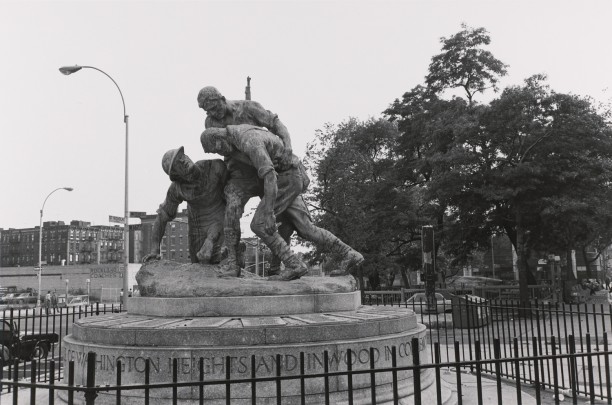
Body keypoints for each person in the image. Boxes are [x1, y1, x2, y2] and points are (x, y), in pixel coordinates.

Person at [201, 124, 364, 280]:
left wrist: (269, 212)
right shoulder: (236, 136)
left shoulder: (248, 140)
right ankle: (349, 254)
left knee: (259, 224)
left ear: (218, 140)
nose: (221, 153)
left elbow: (270, 176)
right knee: (306, 228)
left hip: (285, 178)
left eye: (216, 149)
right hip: (290, 175)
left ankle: (294, 265)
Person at [197, 86, 296, 275]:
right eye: (206, 110)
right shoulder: (210, 123)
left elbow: (277, 125)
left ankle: (278, 266)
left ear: (222, 99)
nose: (211, 113)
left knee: (287, 217)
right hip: (241, 174)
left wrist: (288, 148)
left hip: (268, 166)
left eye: (213, 107)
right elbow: (222, 148)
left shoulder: (248, 108)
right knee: (231, 209)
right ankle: (233, 262)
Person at [142, 147, 227, 264]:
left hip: (219, 216)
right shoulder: (177, 188)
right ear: (175, 175)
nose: (183, 160)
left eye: (182, 156)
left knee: (214, 254)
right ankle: (223, 254)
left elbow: (234, 192)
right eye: (178, 163)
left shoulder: (214, 168)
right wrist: (155, 250)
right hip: (197, 226)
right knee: (198, 264)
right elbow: (162, 217)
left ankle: (230, 253)